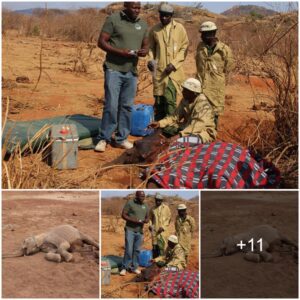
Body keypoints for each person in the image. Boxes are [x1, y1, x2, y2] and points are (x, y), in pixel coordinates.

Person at [95, 2, 149, 152]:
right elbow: (101, 42)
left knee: (126, 106)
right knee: (111, 105)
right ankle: (103, 138)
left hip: (131, 71)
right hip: (113, 69)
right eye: (134, 7)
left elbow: (146, 44)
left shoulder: (143, 24)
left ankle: (121, 138)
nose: (137, 10)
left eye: (139, 8)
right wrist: (120, 52)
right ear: (126, 6)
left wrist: (145, 51)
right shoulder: (113, 19)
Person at [147, 3, 189, 121]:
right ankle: (158, 127)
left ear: (171, 16)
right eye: (162, 15)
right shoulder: (154, 30)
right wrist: (150, 60)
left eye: (167, 16)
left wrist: (174, 64)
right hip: (159, 71)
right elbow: (150, 48)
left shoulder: (179, 28)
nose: (164, 18)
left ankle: (169, 128)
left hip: (173, 73)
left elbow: (184, 48)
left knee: (170, 100)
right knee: (159, 100)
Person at [148, 78, 217, 143]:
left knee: (182, 141)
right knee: (164, 128)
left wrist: (176, 137)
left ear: (193, 93)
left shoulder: (203, 105)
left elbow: (196, 127)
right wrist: (159, 123)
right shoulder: (186, 99)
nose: (182, 92)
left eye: (185, 90)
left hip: (202, 133)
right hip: (187, 127)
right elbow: (174, 117)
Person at [195, 21, 234, 128]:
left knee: (214, 115)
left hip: (215, 89)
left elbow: (229, 67)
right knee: (199, 113)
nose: (201, 36)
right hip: (200, 86)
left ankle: (211, 138)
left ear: (212, 33)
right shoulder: (200, 47)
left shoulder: (224, 50)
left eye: (204, 34)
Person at [120, 190, 149, 276]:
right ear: (136, 196)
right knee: (129, 249)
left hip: (139, 231)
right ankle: (124, 267)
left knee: (136, 250)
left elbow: (147, 217)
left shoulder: (145, 206)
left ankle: (134, 267)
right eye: (141, 196)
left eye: (143, 196)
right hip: (130, 229)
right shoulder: (130, 203)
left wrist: (146, 221)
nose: (142, 198)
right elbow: (123, 215)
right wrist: (134, 220)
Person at [149, 193, 171, 258]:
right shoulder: (152, 208)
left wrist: (163, 227)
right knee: (155, 246)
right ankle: (155, 261)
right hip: (155, 231)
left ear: (162, 201)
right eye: (157, 200)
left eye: (159, 200)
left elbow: (168, 218)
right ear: (155, 200)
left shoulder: (166, 208)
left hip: (163, 231)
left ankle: (162, 261)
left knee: (163, 246)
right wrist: (150, 225)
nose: (158, 202)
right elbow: (150, 218)